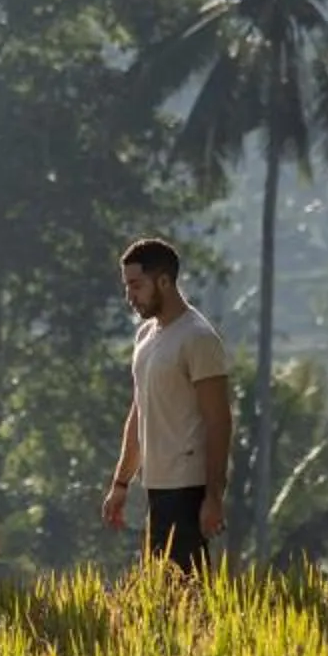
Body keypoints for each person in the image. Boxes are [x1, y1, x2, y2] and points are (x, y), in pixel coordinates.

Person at [105, 238, 233, 574]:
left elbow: (219, 422)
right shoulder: (145, 336)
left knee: (187, 592)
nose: (130, 296)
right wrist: (121, 483)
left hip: (188, 487)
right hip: (156, 486)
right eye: (127, 286)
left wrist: (213, 498)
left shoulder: (198, 338)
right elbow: (140, 410)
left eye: (137, 285)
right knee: (159, 592)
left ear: (163, 281)